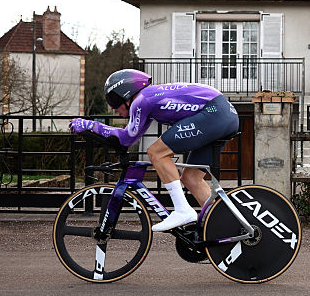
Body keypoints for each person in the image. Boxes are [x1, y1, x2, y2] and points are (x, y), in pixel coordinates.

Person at [68, 69, 240, 232]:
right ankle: (225, 227)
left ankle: (183, 210)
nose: (113, 108)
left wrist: (90, 125)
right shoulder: (150, 100)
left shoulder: (142, 100)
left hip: (215, 112)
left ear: (125, 94)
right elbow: (130, 138)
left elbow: (126, 138)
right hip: (223, 114)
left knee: (156, 152)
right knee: (191, 178)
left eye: (113, 101)